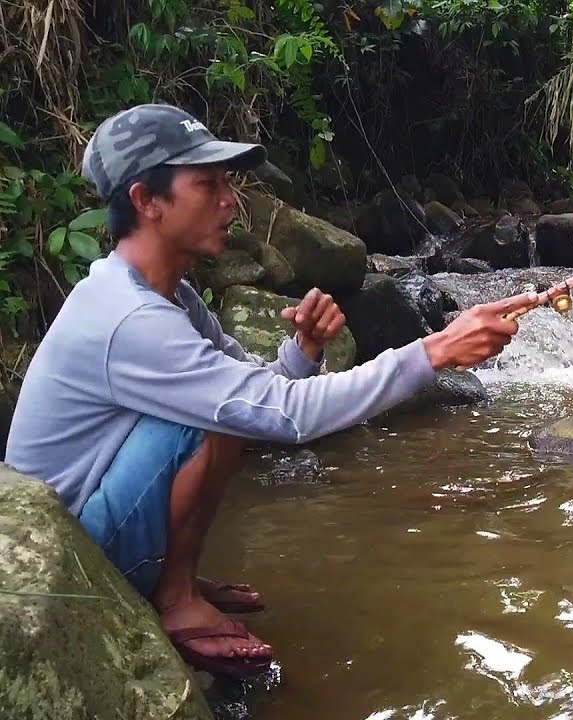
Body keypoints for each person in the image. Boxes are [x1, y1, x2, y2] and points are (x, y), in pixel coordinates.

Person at [4, 103, 537, 677]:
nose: (230, 200)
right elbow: (280, 414)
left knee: (221, 408)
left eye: (227, 183)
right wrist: (435, 351)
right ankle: (176, 602)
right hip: (72, 559)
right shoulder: (129, 317)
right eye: (207, 184)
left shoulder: (167, 297)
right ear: (146, 201)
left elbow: (258, 392)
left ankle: (170, 576)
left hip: (94, 524)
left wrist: (303, 350)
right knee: (201, 418)